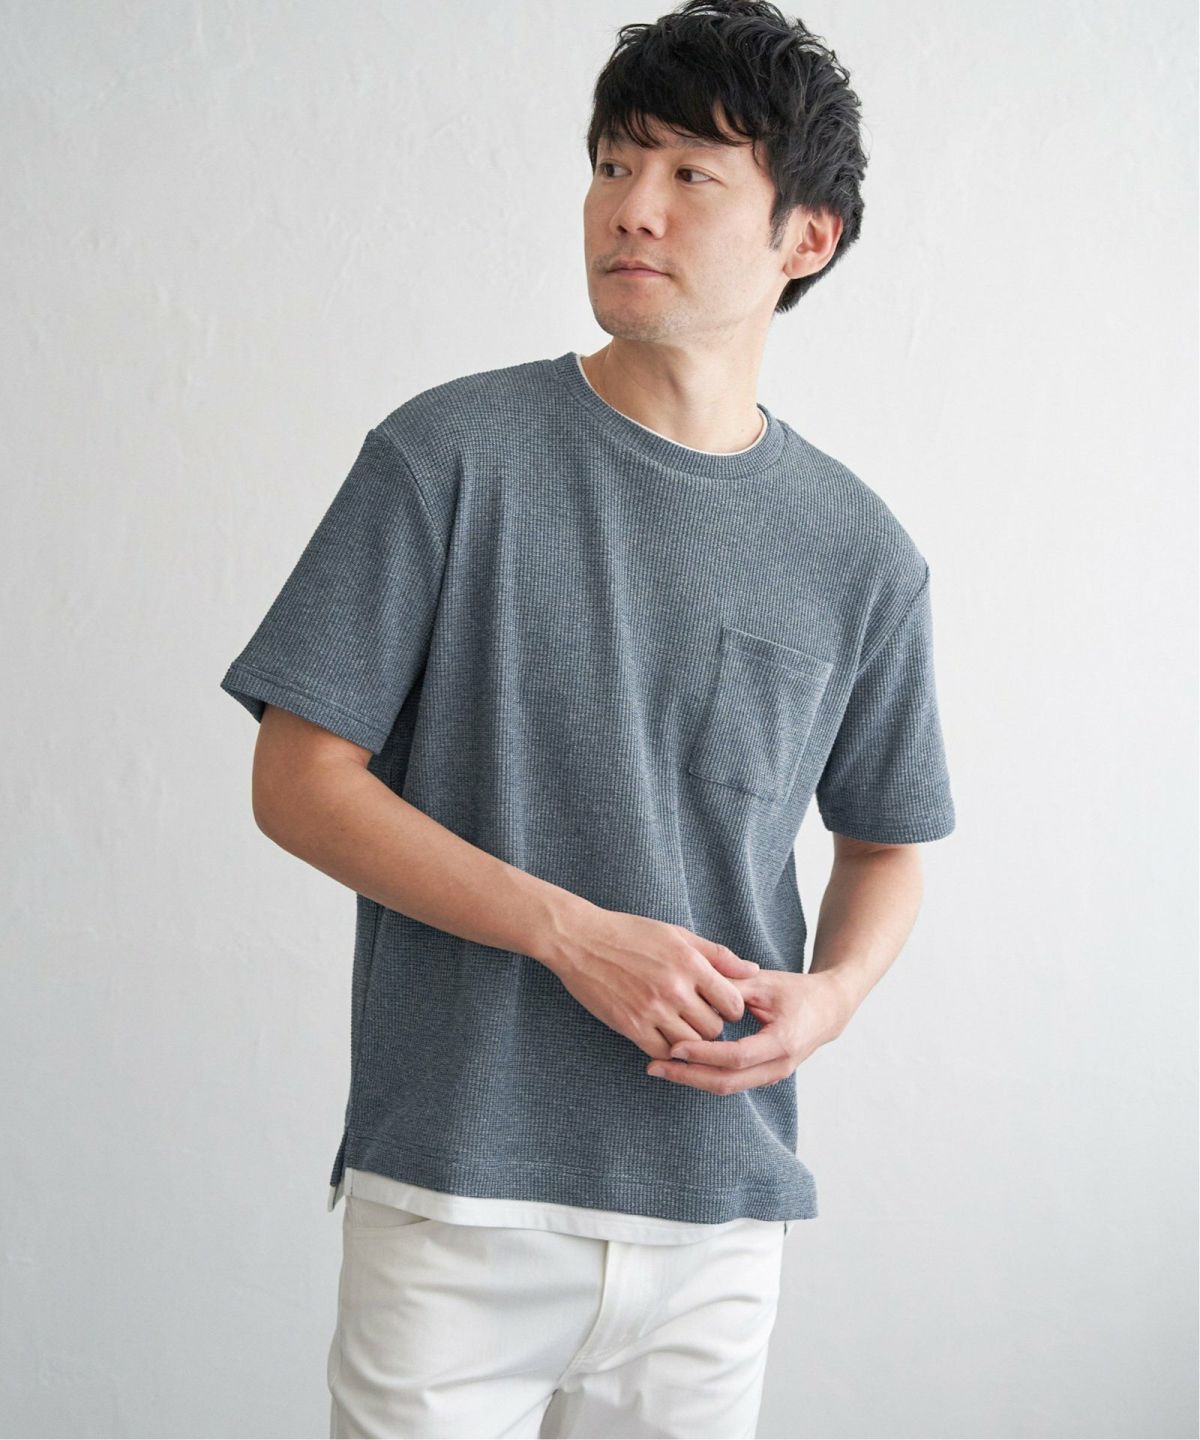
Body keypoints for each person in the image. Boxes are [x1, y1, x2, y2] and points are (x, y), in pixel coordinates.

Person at [218, 2, 956, 1435]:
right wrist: (568, 932)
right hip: (460, 1189)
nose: (633, 206)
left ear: (807, 237)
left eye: (691, 175)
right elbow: (298, 779)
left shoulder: (861, 553)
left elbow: (886, 844)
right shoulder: (449, 455)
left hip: (719, 1204)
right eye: (615, 164)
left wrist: (833, 998)